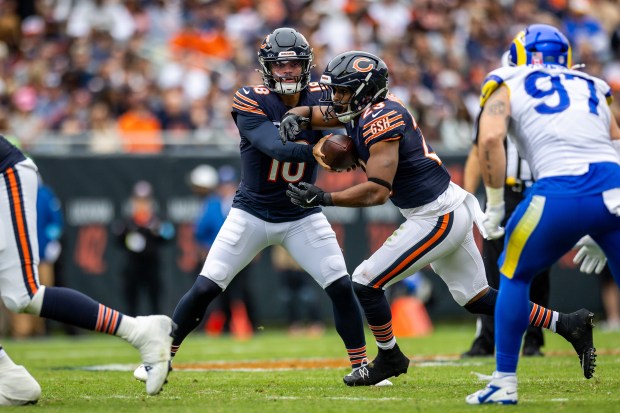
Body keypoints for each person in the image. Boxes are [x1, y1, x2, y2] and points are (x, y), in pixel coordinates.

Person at [279, 50, 596, 387]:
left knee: (365, 281)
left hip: (436, 215)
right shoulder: (365, 109)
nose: (336, 98)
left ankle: (389, 356)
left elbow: (378, 191)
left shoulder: (380, 120)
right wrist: (297, 114)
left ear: (363, 91)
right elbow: (322, 113)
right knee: (476, 298)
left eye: (343, 90)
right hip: (441, 208)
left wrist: (325, 197)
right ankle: (568, 323)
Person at [134, 27, 369, 383]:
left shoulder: (324, 94)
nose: (288, 72)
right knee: (206, 287)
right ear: (267, 68)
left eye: (294, 64)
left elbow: (358, 118)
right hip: (252, 212)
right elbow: (274, 146)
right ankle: (161, 358)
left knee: (339, 284)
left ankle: (362, 366)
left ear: (306, 66)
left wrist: (352, 143)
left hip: (301, 213)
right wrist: (320, 150)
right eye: (280, 65)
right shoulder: (251, 99)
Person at [463, 24, 620, 404]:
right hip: (613, 188)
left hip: (558, 192)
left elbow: (488, 139)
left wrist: (496, 204)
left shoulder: (506, 79)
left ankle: (504, 382)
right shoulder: (592, 84)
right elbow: (615, 140)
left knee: (513, 276)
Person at [0, 135, 175, 404]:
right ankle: (9, 378)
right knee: (20, 295)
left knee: (24, 294)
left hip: (4, 177)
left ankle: (141, 331)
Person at [461, 52, 552, 358]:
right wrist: (467, 195)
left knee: (538, 268)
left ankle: (534, 339)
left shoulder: (549, 101)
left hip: (540, 188)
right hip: (506, 192)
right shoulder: (498, 97)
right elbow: (479, 149)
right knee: (491, 268)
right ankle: (487, 338)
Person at [188, 164, 255, 338]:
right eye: (224, 185)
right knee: (219, 292)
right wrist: (206, 248)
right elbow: (200, 231)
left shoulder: (244, 202)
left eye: (230, 184)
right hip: (218, 255)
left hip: (241, 254)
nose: (227, 188)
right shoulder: (212, 205)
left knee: (242, 291)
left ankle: (250, 325)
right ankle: (223, 326)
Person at [112, 180, 175, 316]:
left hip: (152, 267)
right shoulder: (127, 222)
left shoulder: (157, 221)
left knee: (155, 302)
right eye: (139, 200)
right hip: (133, 267)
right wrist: (128, 233)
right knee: (131, 303)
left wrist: (156, 229)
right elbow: (117, 239)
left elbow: (169, 235)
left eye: (145, 201)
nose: (142, 205)